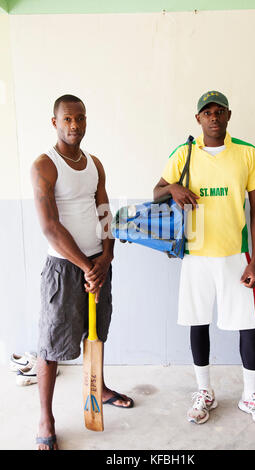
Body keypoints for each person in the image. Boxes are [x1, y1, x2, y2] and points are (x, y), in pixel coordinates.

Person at [153, 90, 255, 428]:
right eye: (207, 112)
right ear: (198, 119)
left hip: (236, 255)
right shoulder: (184, 153)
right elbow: (157, 190)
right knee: (198, 321)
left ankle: (250, 395)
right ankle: (204, 391)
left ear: (228, 115)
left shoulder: (247, 154)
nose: (213, 117)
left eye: (219, 111)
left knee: (248, 325)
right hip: (195, 255)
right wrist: (174, 189)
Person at [31, 94, 133, 450]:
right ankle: (46, 416)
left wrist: (106, 257)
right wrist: (87, 265)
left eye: (80, 119)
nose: (75, 125)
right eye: (68, 119)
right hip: (64, 268)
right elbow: (50, 227)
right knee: (51, 344)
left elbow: (104, 211)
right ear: (55, 122)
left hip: (97, 265)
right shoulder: (44, 165)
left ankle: (97, 388)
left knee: (97, 331)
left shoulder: (95, 164)